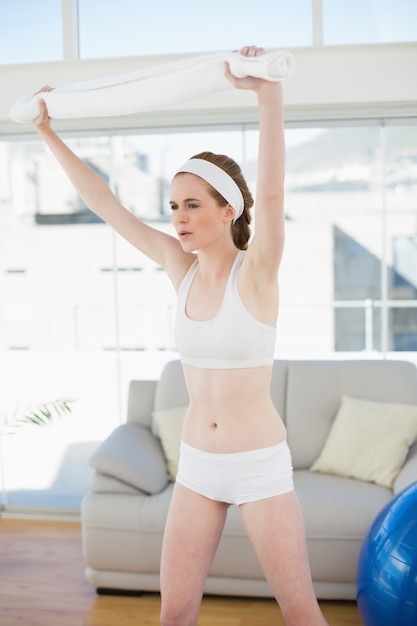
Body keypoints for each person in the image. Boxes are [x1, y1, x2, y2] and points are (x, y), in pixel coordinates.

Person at [33, 45, 329, 626]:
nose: (179, 218)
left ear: (228, 211)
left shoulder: (259, 270)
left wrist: (268, 92)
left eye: (193, 205)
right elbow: (104, 203)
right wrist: (46, 132)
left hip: (259, 465)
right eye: (174, 206)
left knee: (302, 615)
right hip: (196, 466)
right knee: (174, 617)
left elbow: (271, 193)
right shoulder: (180, 266)